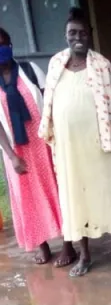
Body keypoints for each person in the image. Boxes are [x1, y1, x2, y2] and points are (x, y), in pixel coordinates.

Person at [39, 8, 111, 277]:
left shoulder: (102, 64)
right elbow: (48, 102)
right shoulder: (56, 63)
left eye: (83, 32)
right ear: (65, 35)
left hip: (100, 144)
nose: (78, 37)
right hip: (69, 147)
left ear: (90, 35)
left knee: (109, 194)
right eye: (72, 33)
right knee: (75, 197)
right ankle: (84, 255)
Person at [0, 28, 69, 266]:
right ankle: (43, 245)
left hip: (43, 143)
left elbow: (49, 103)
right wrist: (11, 156)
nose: (2, 49)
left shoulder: (30, 70)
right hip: (15, 150)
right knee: (27, 196)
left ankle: (68, 245)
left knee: (56, 189)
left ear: (10, 44)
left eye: (4, 43)